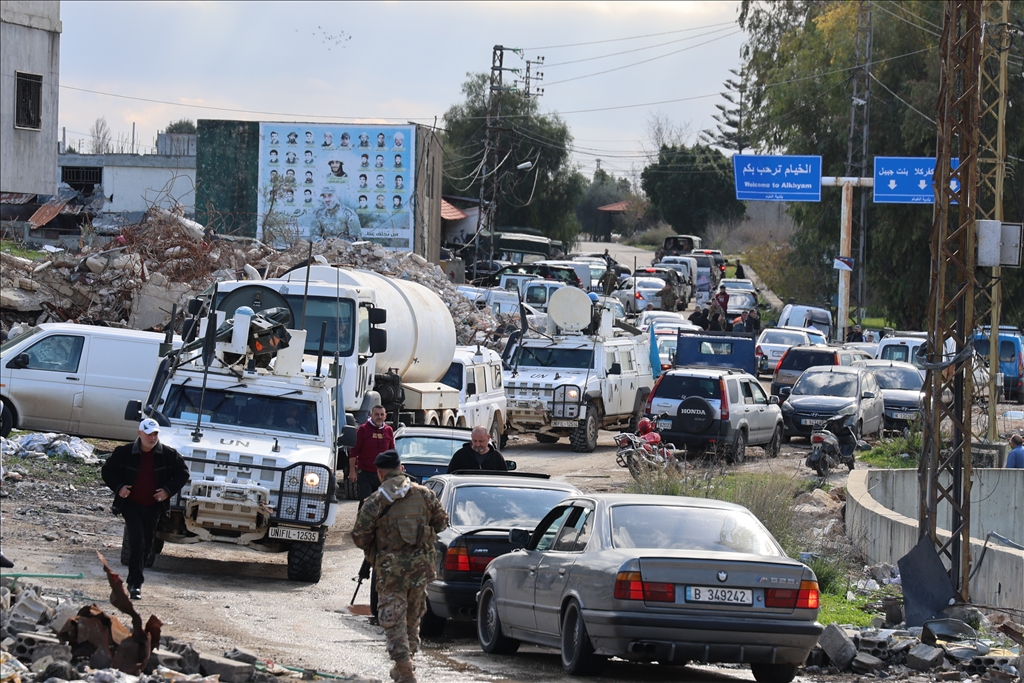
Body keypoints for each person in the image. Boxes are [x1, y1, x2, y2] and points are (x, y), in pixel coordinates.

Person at [351, 450, 448, 683]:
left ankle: (404, 669)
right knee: (413, 618)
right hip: (420, 570)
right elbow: (442, 522)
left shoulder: (376, 500)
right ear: (401, 468)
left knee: (393, 619)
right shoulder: (425, 494)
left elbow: (359, 537)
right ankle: (405, 663)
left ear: (379, 472)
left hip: (391, 571)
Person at [101, 418, 189, 600]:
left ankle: (136, 576)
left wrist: (167, 491)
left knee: (147, 547)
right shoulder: (124, 452)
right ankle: (135, 584)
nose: (152, 438)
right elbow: (107, 471)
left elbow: (183, 474)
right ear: (139, 433)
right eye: (148, 434)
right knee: (136, 542)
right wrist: (119, 488)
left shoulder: (168, 454)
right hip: (132, 505)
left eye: (155, 434)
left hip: (154, 507)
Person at [348, 405, 395, 501]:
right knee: (366, 502)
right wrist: (352, 471)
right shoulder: (363, 429)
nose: (379, 417)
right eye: (377, 414)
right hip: (365, 473)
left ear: (385, 416)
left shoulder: (388, 430)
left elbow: (392, 452)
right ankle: (362, 516)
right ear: (371, 415)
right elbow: (354, 451)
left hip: (382, 474)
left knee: (381, 503)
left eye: (382, 414)